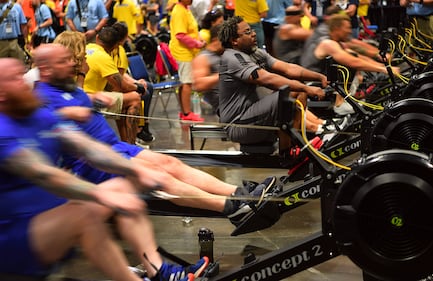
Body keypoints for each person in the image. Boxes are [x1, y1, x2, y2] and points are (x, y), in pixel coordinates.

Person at [0, 57, 210, 281]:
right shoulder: (3, 131)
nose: (25, 81)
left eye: (22, 74)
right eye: (15, 78)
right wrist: (100, 193)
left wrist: (135, 171)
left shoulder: (38, 115)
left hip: (48, 218)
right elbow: (43, 174)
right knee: (84, 215)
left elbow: (87, 147)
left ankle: (158, 271)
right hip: (14, 237)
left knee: (122, 185)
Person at [34, 43, 279, 228]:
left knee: (169, 162)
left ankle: (237, 193)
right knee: (159, 176)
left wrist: (96, 98)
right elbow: (46, 121)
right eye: (64, 61)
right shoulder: (41, 97)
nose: (73, 63)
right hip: (94, 161)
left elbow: (86, 98)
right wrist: (71, 111)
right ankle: (233, 209)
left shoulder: (66, 85)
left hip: (115, 146)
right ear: (45, 68)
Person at [217, 16, 328, 155]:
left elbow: (288, 68)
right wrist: (307, 88)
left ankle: (295, 143)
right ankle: (288, 151)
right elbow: (268, 79)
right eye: (247, 32)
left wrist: (320, 77)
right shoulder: (232, 57)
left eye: (251, 30)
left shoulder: (255, 53)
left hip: (252, 118)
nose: (253, 33)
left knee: (298, 90)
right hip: (238, 125)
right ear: (234, 41)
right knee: (294, 92)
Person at [300, 14, 400, 114]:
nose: (350, 31)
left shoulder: (335, 41)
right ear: (337, 28)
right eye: (347, 28)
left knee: (352, 57)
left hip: (325, 80)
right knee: (348, 65)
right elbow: (353, 61)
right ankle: (339, 105)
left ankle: (347, 99)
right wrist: (383, 69)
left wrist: (383, 66)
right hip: (314, 85)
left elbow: (357, 56)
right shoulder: (327, 44)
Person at [84, 26, 143, 144]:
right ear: (116, 45)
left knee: (123, 100)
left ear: (97, 38)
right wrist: (138, 87)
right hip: (90, 98)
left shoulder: (87, 47)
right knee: (135, 98)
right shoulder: (104, 57)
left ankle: (125, 142)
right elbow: (122, 85)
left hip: (80, 93)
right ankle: (131, 145)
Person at [111, 22, 155, 143]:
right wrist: (137, 85)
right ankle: (138, 131)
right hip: (111, 87)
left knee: (148, 87)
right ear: (125, 36)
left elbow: (121, 73)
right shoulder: (115, 50)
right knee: (141, 93)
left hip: (117, 81)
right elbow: (118, 77)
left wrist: (135, 81)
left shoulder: (120, 49)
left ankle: (144, 124)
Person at [169, 0, 206, 121]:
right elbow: (180, 35)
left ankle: (184, 112)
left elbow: (192, 30)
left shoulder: (186, 9)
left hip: (189, 51)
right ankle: (186, 114)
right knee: (187, 83)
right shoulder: (179, 11)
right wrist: (197, 44)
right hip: (183, 52)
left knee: (186, 82)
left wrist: (199, 40)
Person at [192, 24, 223, 113]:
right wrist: (224, 73)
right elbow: (199, 84)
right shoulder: (203, 57)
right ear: (216, 39)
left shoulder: (224, 53)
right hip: (225, 103)